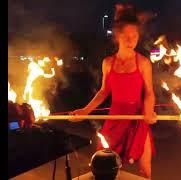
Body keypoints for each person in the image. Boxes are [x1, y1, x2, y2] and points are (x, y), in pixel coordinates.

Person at [70, 3, 157, 178]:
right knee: (103, 164)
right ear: (117, 36)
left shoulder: (143, 62)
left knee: (145, 168)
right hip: (115, 115)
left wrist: (148, 111)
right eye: (126, 35)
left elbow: (148, 92)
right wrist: (84, 111)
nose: (131, 39)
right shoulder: (108, 62)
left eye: (135, 35)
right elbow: (103, 92)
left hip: (138, 117)